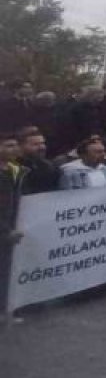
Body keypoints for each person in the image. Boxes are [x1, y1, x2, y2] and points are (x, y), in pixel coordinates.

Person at [1, 133, 28, 325]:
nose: (14, 149)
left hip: (11, 227)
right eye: (8, 146)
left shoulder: (16, 170)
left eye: (15, 145)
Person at [17, 128, 60, 194]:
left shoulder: (50, 167)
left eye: (42, 143)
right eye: (35, 144)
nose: (42, 147)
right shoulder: (13, 168)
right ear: (20, 146)